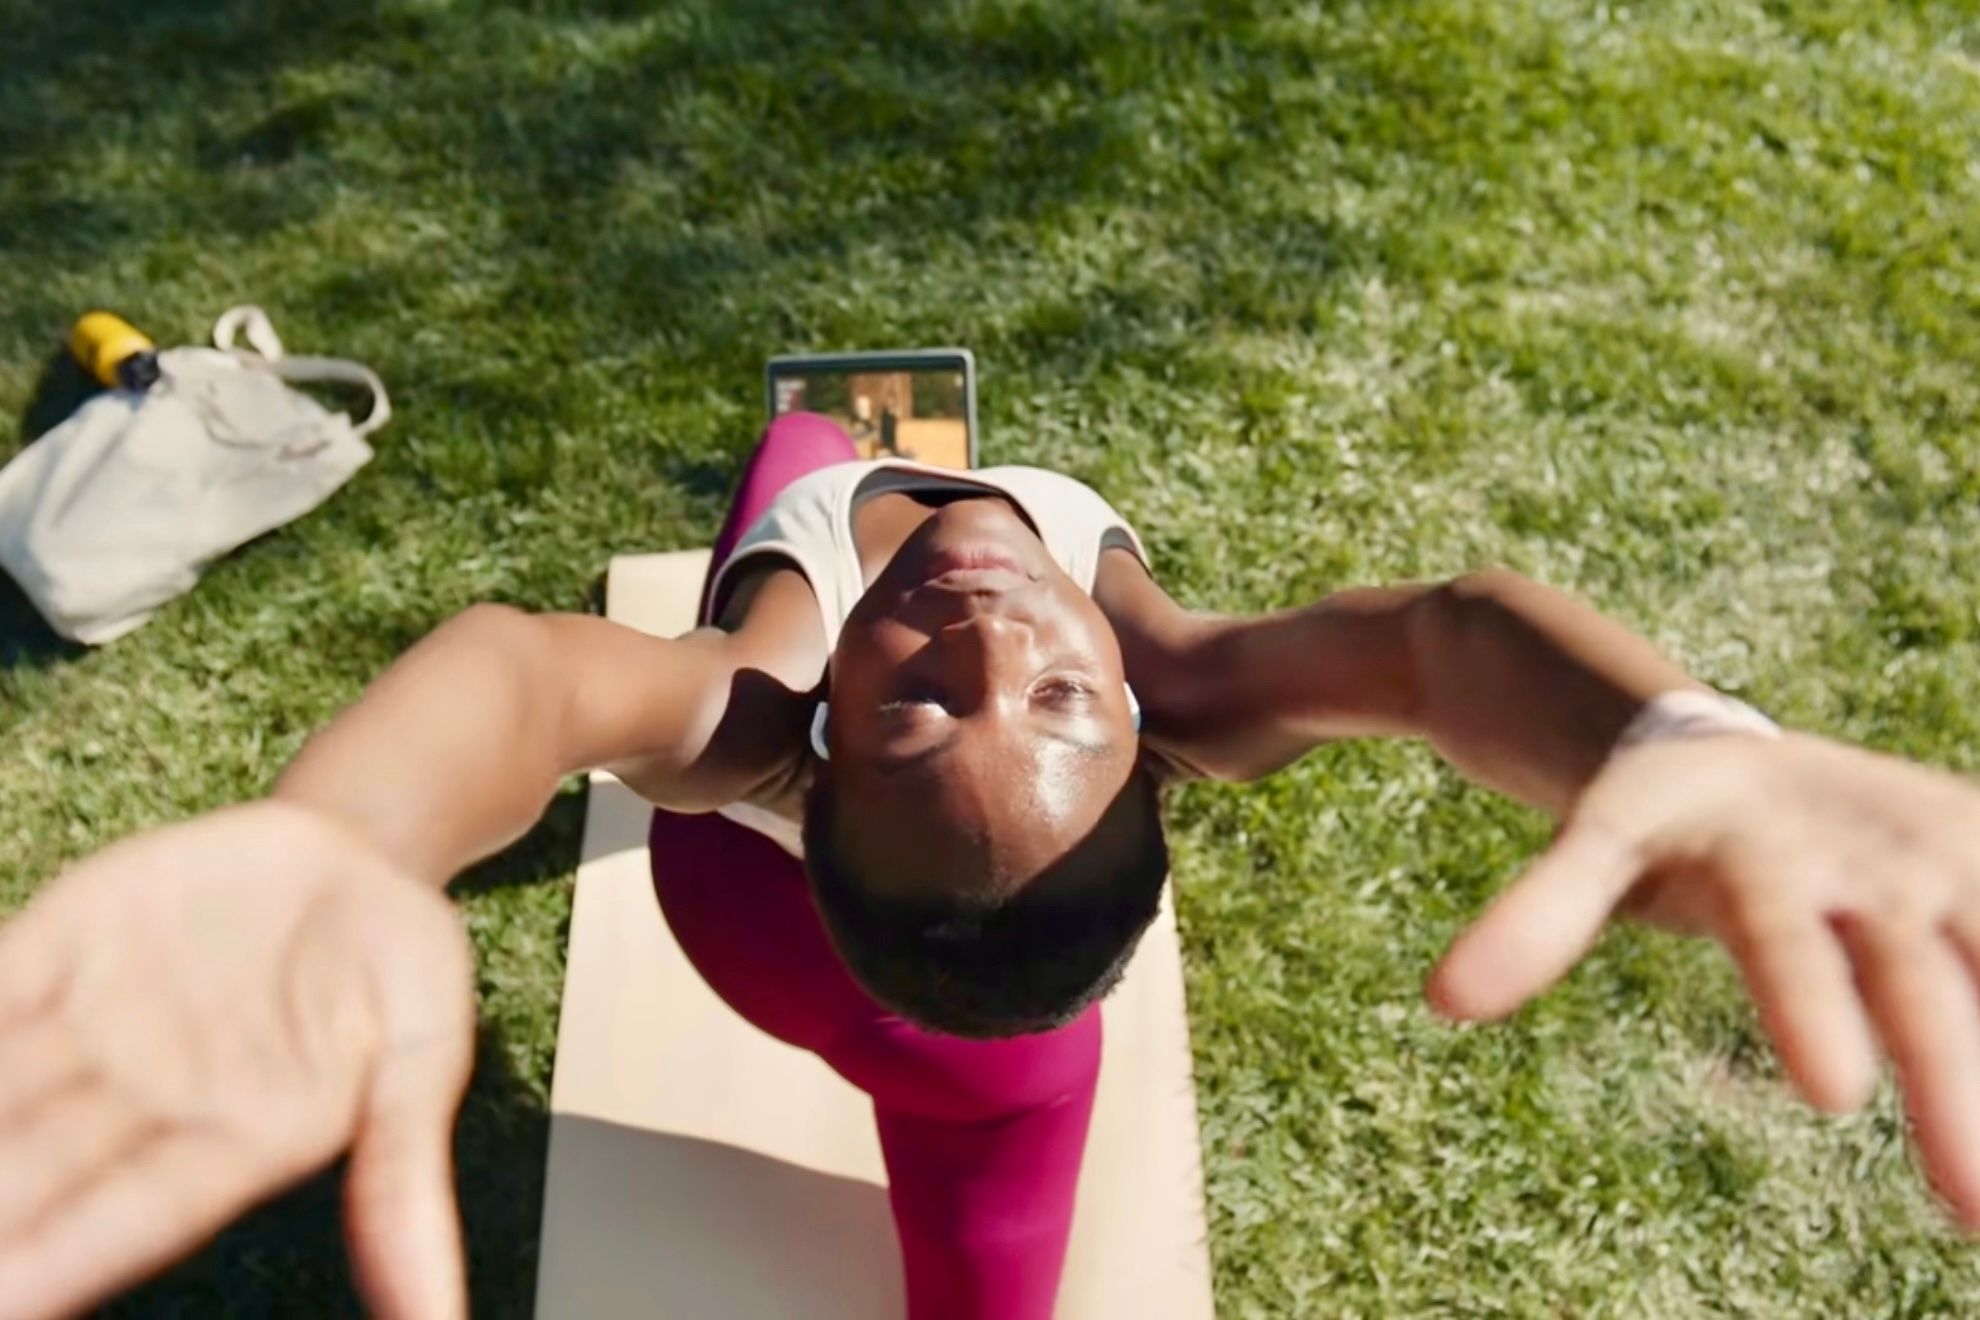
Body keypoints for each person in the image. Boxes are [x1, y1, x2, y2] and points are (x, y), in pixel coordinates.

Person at [3, 410, 1980, 1320]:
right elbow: (1443, 644)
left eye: (935, 712)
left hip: (840, 970)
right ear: (1152, 755)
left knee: (798, 459)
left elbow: (538, 685)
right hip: (935, 1022)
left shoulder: (770, 697)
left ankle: (794, 454)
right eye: (1037, 711)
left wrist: (342, 840)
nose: (994, 640)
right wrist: (1684, 736)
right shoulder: (1177, 679)